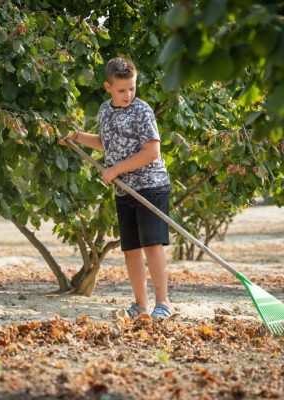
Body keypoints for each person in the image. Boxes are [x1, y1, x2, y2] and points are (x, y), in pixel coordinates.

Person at [59, 56, 172, 319]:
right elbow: (105, 142)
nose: (128, 94)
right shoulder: (105, 110)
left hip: (151, 186)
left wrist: (116, 169)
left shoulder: (142, 110)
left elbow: (152, 151)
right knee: (131, 249)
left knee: (152, 245)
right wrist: (76, 136)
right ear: (108, 87)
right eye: (121, 90)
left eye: (132, 88)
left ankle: (163, 303)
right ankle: (141, 305)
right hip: (124, 189)